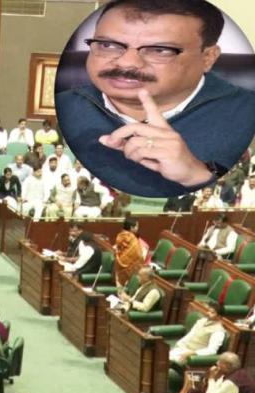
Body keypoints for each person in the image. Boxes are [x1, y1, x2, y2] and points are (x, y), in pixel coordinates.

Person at [56, 0, 255, 197]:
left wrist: (197, 175)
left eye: (159, 50)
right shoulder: (65, 105)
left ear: (208, 57)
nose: (127, 63)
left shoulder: (246, 115)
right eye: (108, 45)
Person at [114, 218, 144, 286]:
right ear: (131, 228)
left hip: (118, 264)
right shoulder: (133, 239)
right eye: (136, 226)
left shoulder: (120, 235)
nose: (137, 228)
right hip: (129, 267)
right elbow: (138, 255)